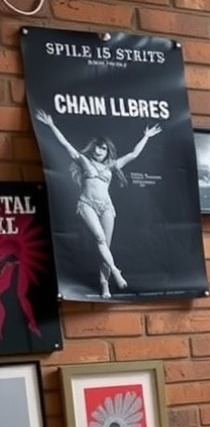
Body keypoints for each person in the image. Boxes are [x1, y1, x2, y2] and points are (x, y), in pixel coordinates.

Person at [34, 109, 161, 298]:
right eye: (97, 147)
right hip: (87, 204)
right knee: (100, 239)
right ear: (93, 147)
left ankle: (105, 285)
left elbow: (134, 154)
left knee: (104, 248)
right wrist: (51, 125)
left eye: (103, 149)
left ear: (107, 151)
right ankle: (117, 271)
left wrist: (146, 136)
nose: (99, 151)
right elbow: (65, 144)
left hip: (107, 208)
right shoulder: (84, 161)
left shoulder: (112, 165)